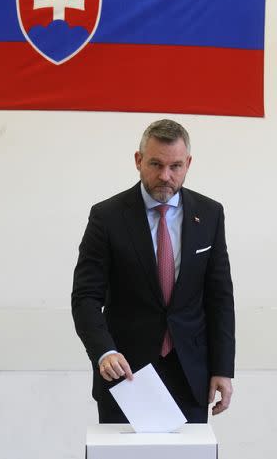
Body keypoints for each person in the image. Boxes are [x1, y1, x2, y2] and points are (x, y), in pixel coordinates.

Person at [72, 119, 235, 423]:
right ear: (138, 160)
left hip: (191, 374)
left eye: (175, 166)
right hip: (127, 375)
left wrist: (223, 368)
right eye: (156, 164)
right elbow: (85, 297)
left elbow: (220, 298)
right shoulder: (107, 217)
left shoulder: (210, 214)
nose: (165, 176)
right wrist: (104, 352)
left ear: (188, 164)